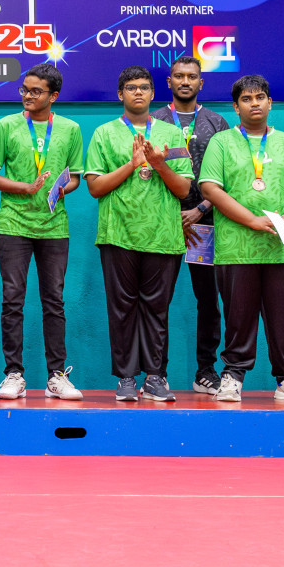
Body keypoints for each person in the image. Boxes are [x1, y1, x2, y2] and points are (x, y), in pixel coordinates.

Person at [198, 74, 284, 402]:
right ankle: (233, 376)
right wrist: (250, 220)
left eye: (260, 97)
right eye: (247, 99)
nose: (255, 103)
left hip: (282, 245)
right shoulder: (221, 142)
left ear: (270, 103)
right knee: (238, 315)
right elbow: (210, 187)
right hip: (236, 246)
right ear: (236, 106)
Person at [83, 67, 194, 402]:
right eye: (131, 87)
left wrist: (158, 164)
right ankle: (127, 378)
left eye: (144, 87)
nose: (138, 93)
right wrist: (132, 164)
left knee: (157, 309)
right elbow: (94, 187)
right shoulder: (103, 134)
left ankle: (156, 377)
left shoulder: (172, 134)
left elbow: (183, 190)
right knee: (122, 309)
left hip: (163, 235)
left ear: (152, 93)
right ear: (120, 94)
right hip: (118, 234)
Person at [0, 64, 83, 400]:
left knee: (54, 301)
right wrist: (24, 188)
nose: (27, 95)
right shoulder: (6, 125)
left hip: (55, 227)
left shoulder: (70, 129)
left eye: (36, 91)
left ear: (53, 96)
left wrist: (59, 189)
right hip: (13, 224)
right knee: (13, 300)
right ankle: (14, 374)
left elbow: (76, 178)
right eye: (24, 89)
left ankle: (57, 375)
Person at [150, 54, 232, 394]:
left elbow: (230, 177)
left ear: (201, 83)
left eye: (192, 76)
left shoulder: (217, 123)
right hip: (163, 224)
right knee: (157, 301)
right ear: (169, 82)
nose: (185, 81)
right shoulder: (152, 121)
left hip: (206, 224)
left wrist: (200, 208)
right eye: (179, 76)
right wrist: (174, 216)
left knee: (208, 300)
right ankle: (157, 373)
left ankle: (205, 371)